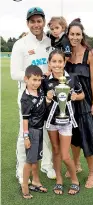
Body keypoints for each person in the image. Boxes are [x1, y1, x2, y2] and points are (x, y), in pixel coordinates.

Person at [10, 6, 56, 184]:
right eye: (32, 21)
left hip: (45, 93)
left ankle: (46, 163)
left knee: (45, 129)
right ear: (27, 23)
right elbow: (14, 73)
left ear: (44, 22)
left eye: (39, 21)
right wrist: (34, 79)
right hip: (27, 94)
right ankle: (22, 170)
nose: (36, 24)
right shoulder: (20, 44)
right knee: (26, 132)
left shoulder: (48, 42)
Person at [65, 18, 93, 188]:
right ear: (68, 35)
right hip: (70, 102)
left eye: (78, 34)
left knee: (88, 136)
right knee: (74, 136)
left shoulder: (90, 54)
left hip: (86, 101)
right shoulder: (65, 54)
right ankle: (77, 165)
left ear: (82, 35)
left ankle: (92, 173)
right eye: (72, 34)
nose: (74, 37)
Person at [43, 49, 85, 195]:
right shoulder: (45, 80)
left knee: (65, 154)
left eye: (60, 61)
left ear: (64, 62)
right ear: (49, 63)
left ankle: (74, 180)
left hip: (66, 121)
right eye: (53, 61)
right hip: (51, 120)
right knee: (55, 150)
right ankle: (59, 180)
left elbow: (82, 95)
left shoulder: (72, 78)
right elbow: (44, 104)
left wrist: (75, 97)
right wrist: (48, 98)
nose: (57, 64)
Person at [21, 65, 47, 199]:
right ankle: (25, 185)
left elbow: (45, 77)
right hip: (31, 131)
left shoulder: (39, 89)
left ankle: (36, 181)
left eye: (39, 80)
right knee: (29, 161)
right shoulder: (26, 99)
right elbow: (25, 120)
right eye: (34, 80)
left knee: (36, 159)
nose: (37, 83)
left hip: (40, 129)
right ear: (26, 79)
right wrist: (26, 137)